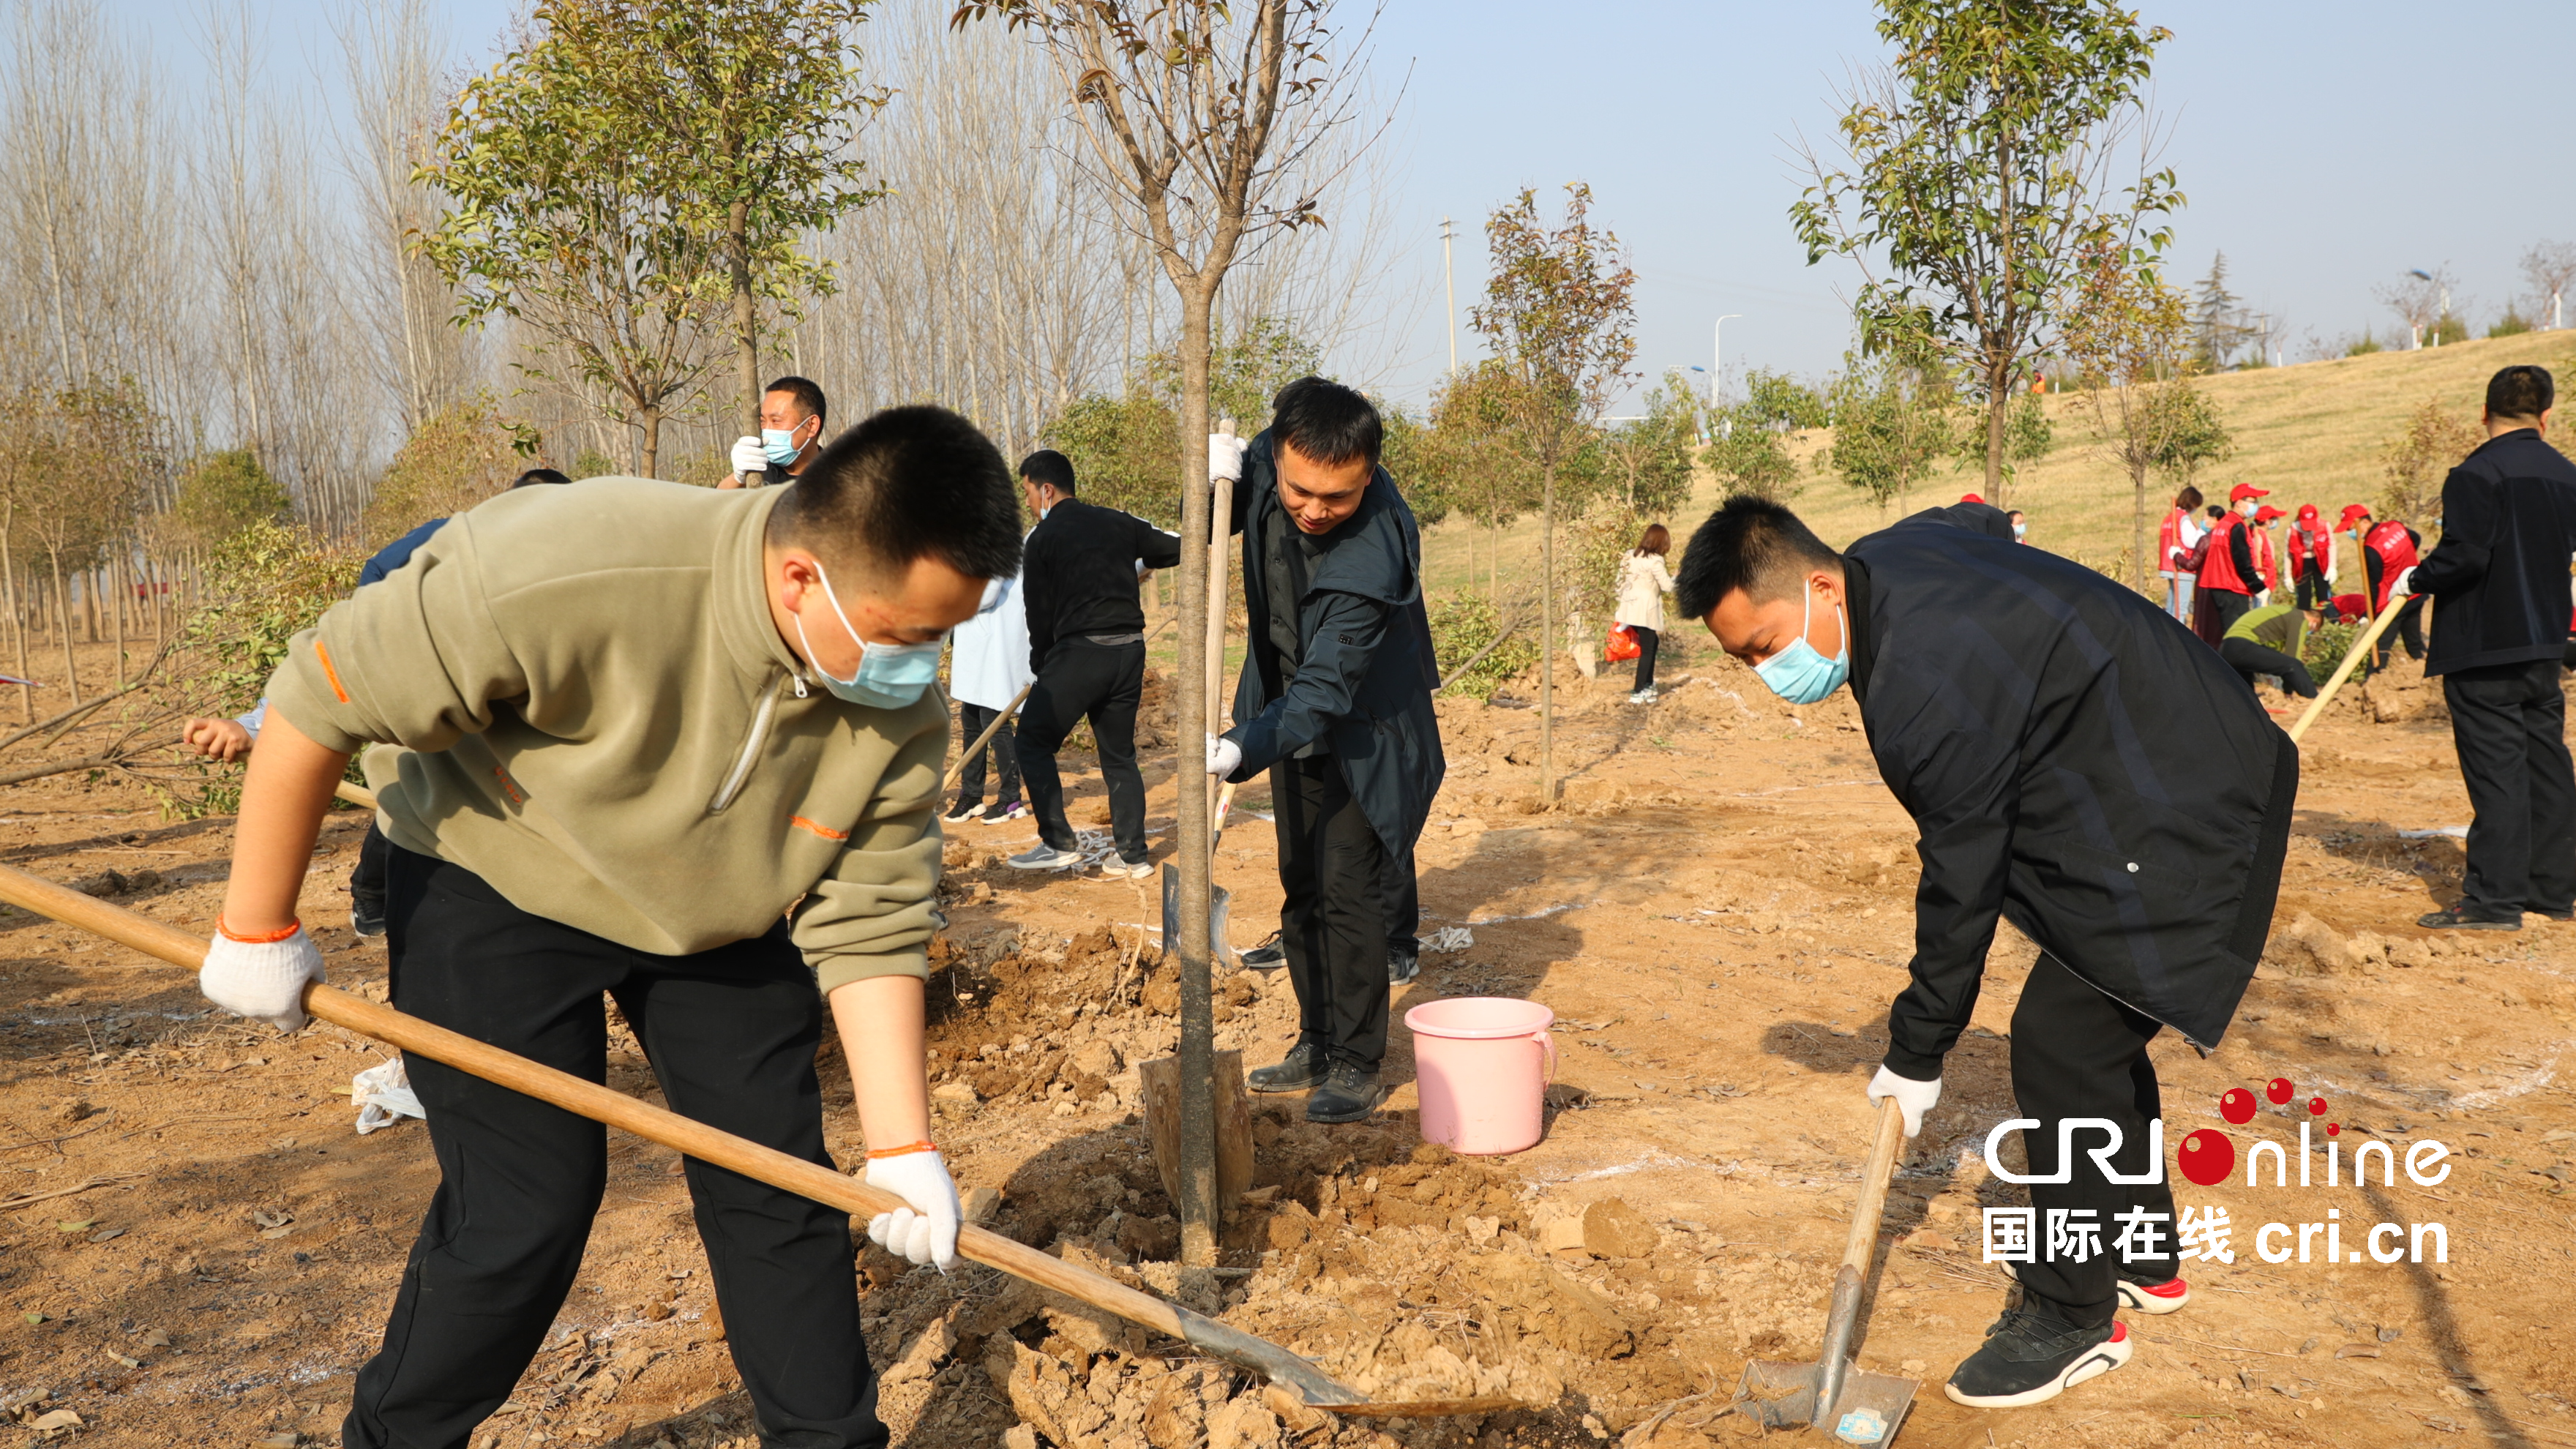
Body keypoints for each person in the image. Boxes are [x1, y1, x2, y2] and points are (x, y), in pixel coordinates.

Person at [193, 406, 1022, 1449]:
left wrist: (903, 1144)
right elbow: (322, 692)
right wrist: (256, 925)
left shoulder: (892, 710)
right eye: (909, 634)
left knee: (783, 1192)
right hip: (492, 870)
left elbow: (873, 913)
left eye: (946, 637)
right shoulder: (572, 565)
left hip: (716, 921)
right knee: (523, 1208)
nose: (925, 668)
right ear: (804, 575)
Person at [1676, 495, 2293, 1409]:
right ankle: (2142, 1251)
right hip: (2141, 772)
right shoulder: (1891, 555)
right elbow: (1974, 523)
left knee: (2061, 1040)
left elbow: (1963, 880)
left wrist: (1915, 1048)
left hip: (2188, 801)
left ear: (1817, 586)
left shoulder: (1924, 686)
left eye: (1765, 646)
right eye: (1743, 662)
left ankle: (2070, 1314)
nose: (1768, 675)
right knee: (2096, 1019)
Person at [178, 465, 575, 937]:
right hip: (439, 681)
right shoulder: (423, 564)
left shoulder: (587, 571)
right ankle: (373, 894)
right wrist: (255, 726)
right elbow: (339, 670)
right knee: (424, 780)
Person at [1205, 378, 1444, 1125]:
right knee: (1300, 881)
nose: (1313, 509)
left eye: (1336, 498)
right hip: (1285, 711)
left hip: (1360, 731)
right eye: (1298, 490)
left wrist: (1241, 747)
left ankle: (1355, 1059)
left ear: (1368, 474)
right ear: (1278, 453)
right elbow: (1231, 500)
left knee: (1349, 893)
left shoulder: (1371, 555)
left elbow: (1325, 689)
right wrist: (1218, 474)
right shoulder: (1274, 464)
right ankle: (1314, 1038)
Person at [2402, 364, 2576, 930]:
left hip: (2485, 645)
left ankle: (2494, 902)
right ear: (2546, 417)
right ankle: (2552, 892)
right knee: (2545, 765)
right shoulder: (2566, 476)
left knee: (2498, 770)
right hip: (2545, 643)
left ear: (2485, 412)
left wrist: (2416, 578)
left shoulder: (2477, 473)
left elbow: (2466, 556)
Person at [1008, 450, 1181, 878]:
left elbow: (1039, 615)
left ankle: (1057, 842)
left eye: (1028, 492)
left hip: (1081, 653)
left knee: (1031, 741)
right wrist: (1137, 559)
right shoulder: (1117, 521)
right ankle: (1133, 856)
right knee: (1119, 756)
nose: (1029, 502)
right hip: (1129, 651)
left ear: (1046, 490)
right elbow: (1175, 547)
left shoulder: (1042, 539)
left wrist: (1042, 665)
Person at [946, 558, 1033, 825]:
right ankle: (972, 796)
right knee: (971, 717)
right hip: (976, 643)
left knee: (993, 720)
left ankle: (1011, 798)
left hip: (995, 646)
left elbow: (986, 594)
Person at [2343, 503, 2427, 667]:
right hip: (2416, 591)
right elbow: (2415, 538)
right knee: (2414, 643)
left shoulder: (2371, 547)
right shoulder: (2395, 526)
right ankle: (2433, 676)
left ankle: (2373, 682)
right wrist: (2405, 562)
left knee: (2381, 646)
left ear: (2364, 522)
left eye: (2351, 528)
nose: (2349, 533)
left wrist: (2370, 612)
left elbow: (2374, 584)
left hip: (2393, 602)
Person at [2190, 484, 2266, 646]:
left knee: (2224, 635)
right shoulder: (2236, 526)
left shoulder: (2224, 524)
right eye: (2253, 501)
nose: (2256, 505)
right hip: (2232, 588)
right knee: (2238, 636)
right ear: (2239, 502)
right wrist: (2259, 587)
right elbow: (2241, 562)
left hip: (2217, 586)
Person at [725, 375, 830, 488]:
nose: (766, 430)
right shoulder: (756, 472)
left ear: (812, 425)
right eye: (762, 421)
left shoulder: (839, 479)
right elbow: (715, 501)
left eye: (776, 421)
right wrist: (738, 478)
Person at [1615, 523, 1677, 703]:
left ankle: (1648, 684)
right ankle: (1639, 690)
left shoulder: (1629, 555)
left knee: (1651, 643)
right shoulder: (1656, 560)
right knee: (1648, 650)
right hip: (1645, 610)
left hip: (1629, 608)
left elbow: (1619, 581)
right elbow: (1667, 587)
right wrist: (1677, 577)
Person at [2219, 602, 2320, 700]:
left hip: (2226, 648)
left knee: (2246, 697)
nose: (2309, 631)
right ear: (2314, 622)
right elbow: (2293, 657)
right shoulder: (2300, 618)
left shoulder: (2282, 615)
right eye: (2313, 629)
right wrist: (2288, 691)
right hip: (2242, 646)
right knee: (2294, 665)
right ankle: (2314, 699)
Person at [2157, 486, 2204, 624]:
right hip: (2182, 568)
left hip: (2169, 565)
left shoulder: (2170, 518)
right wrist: (2202, 532)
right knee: (2180, 610)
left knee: (2172, 609)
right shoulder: (2183, 519)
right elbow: (2191, 542)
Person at [2287, 503, 2335, 610]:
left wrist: (2332, 567)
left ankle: (2327, 620)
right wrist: (2288, 576)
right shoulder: (2292, 530)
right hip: (2302, 564)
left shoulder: (2325, 526)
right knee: (2304, 597)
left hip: (2321, 561)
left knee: (2323, 596)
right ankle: (2305, 622)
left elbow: (2331, 545)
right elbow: (2288, 554)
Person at [2250, 504, 2285, 601]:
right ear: (2267, 521)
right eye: (2275, 519)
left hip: (2267, 582)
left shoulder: (2262, 535)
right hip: (2261, 582)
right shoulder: (2257, 536)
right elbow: (2254, 556)